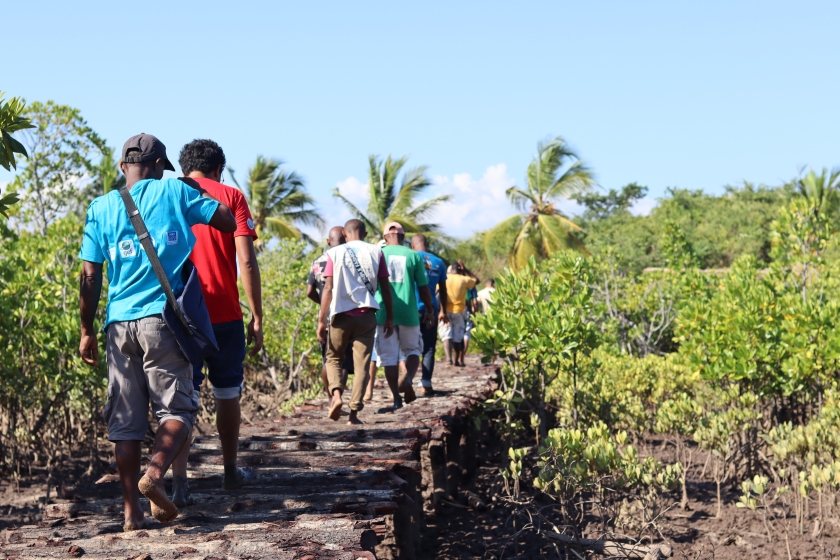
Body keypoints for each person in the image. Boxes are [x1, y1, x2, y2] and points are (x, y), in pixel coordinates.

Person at [78, 134, 236, 530]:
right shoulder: (175, 191)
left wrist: (86, 330)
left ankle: (131, 514)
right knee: (178, 410)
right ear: (161, 166)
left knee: (125, 424)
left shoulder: (100, 207)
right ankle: (155, 472)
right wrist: (196, 189)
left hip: (118, 326)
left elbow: (90, 276)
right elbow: (227, 220)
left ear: (122, 167)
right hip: (162, 321)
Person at [168, 139, 263, 508]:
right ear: (218, 169)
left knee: (181, 398)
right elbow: (247, 262)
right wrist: (257, 315)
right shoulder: (231, 196)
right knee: (227, 391)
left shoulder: (170, 194)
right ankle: (229, 470)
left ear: (183, 168)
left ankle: (180, 484)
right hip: (224, 313)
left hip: (182, 316)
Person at [317, 219, 394, 424]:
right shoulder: (376, 252)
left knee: (333, 358)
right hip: (366, 316)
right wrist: (390, 317)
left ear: (344, 233)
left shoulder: (334, 253)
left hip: (340, 315)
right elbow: (386, 288)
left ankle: (336, 396)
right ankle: (353, 414)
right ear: (365, 234)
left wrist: (321, 320)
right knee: (362, 365)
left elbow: (328, 288)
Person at [375, 223, 435, 409]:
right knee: (413, 350)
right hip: (408, 312)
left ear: (385, 237)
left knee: (389, 358)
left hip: (383, 312)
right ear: (403, 237)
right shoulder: (413, 255)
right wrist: (430, 310)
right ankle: (407, 379)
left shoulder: (377, 254)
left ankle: (396, 399)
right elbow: (424, 287)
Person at [307, 227, 354, 397]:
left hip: (326, 317)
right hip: (346, 314)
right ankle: (338, 396)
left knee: (327, 360)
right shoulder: (349, 259)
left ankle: (330, 399)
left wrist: (324, 305)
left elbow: (309, 291)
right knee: (343, 361)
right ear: (346, 239)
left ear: (328, 242)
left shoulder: (317, 262)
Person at [410, 234, 448, 396]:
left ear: (412, 246)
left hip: (411, 308)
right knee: (429, 347)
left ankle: (406, 381)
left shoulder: (410, 258)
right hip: (431, 308)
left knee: (408, 347)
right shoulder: (439, 262)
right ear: (427, 245)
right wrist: (443, 311)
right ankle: (426, 383)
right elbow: (443, 290)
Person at [444, 260, 479, 367]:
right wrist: (466, 270)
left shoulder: (444, 277)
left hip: (444, 311)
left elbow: (437, 292)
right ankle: (457, 360)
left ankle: (448, 360)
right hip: (458, 312)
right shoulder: (464, 279)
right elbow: (477, 280)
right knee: (458, 338)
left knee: (446, 335)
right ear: (460, 269)